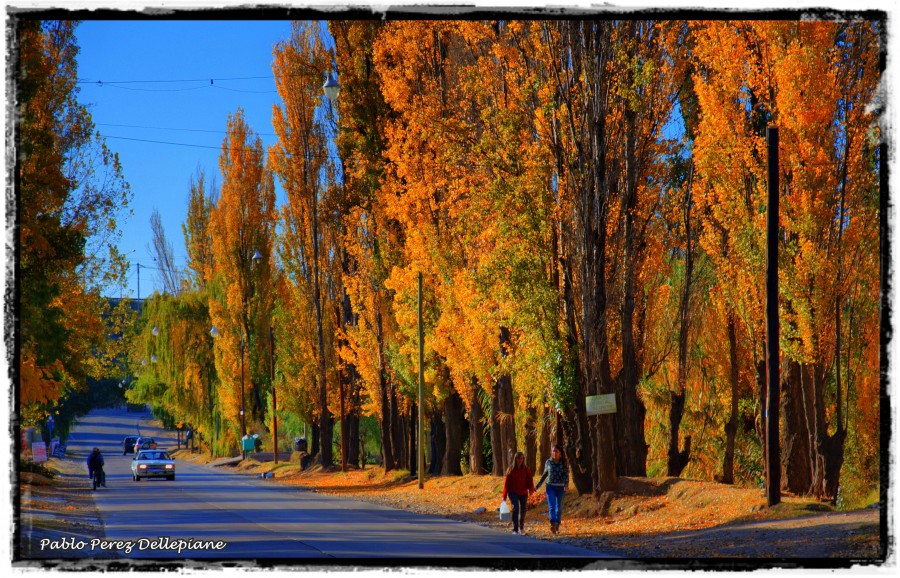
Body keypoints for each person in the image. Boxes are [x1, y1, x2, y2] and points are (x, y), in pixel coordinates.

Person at [535, 445, 569, 534]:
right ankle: (552, 523)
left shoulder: (563, 462)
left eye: (556, 451)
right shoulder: (548, 462)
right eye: (553, 451)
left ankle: (557, 524)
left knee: (559, 507)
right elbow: (544, 475)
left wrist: (566, 484)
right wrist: (537, 486)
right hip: (550, 486)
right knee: (551, 506)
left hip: (560, 487)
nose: (554, 453)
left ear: (560, 453)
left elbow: (566, 474)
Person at [501, 451, 535, 535]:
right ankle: (515, 529)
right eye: (518, 458)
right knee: (515, 508)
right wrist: (504, 496)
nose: (520, 460)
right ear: (515, 459)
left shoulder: (526, 469)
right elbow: (506, 484)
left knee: (523, 510)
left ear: (523, 459)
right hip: (513, 492)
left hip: (523, 492)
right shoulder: (511, 470)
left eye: (521, 458)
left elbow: (530, 480)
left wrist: (531, 489)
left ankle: (521, 527)